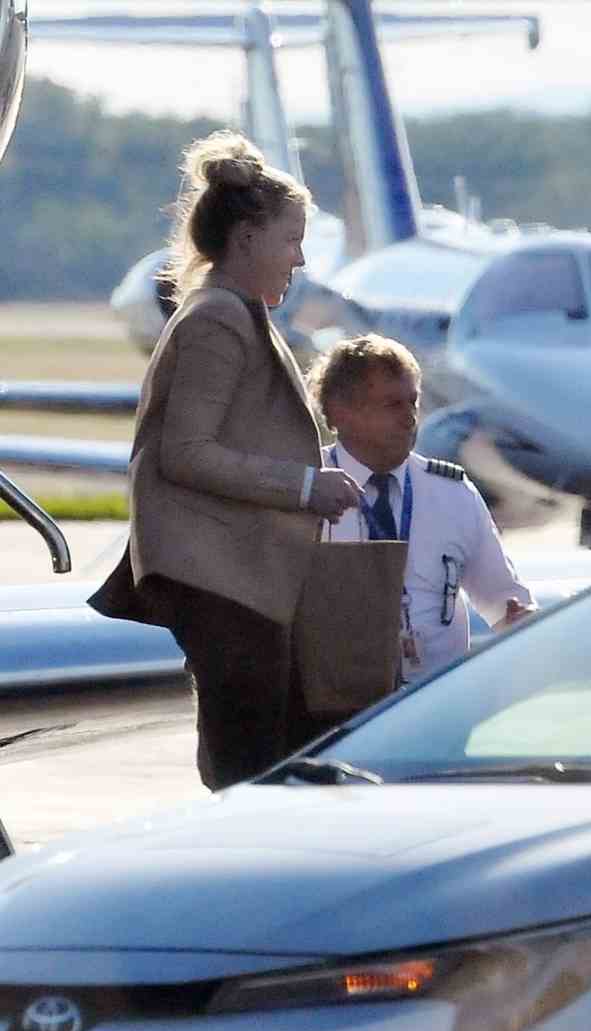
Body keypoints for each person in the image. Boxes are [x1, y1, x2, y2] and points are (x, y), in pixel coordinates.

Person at [88, 130, 363, 791]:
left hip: (243, 578)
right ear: (245, 240)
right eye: (291, 240)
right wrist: (303, 486)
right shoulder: (217, 318)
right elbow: (186, 452)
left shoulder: (230, 311)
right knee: (246, 765)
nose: (298, 259)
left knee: (268, 750)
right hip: (224, 579)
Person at [306, 333, 536, 683]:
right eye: (392, 405)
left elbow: (504, 601)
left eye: (412, 402)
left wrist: (521, 620)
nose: (410, 418)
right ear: (341, 412)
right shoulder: (307, 493)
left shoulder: (452, 494)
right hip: (336, 712)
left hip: (433, 709)